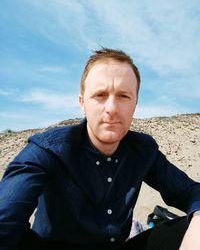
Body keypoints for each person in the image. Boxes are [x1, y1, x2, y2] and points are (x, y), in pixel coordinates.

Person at [0, 48, 200, 250]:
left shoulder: (142, 151)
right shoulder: (48, 150)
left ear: (135, 104)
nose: (112, 108)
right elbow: (5, 222)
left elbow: (191, 192)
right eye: (100, 95)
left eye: (123, 96)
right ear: (82, 103)